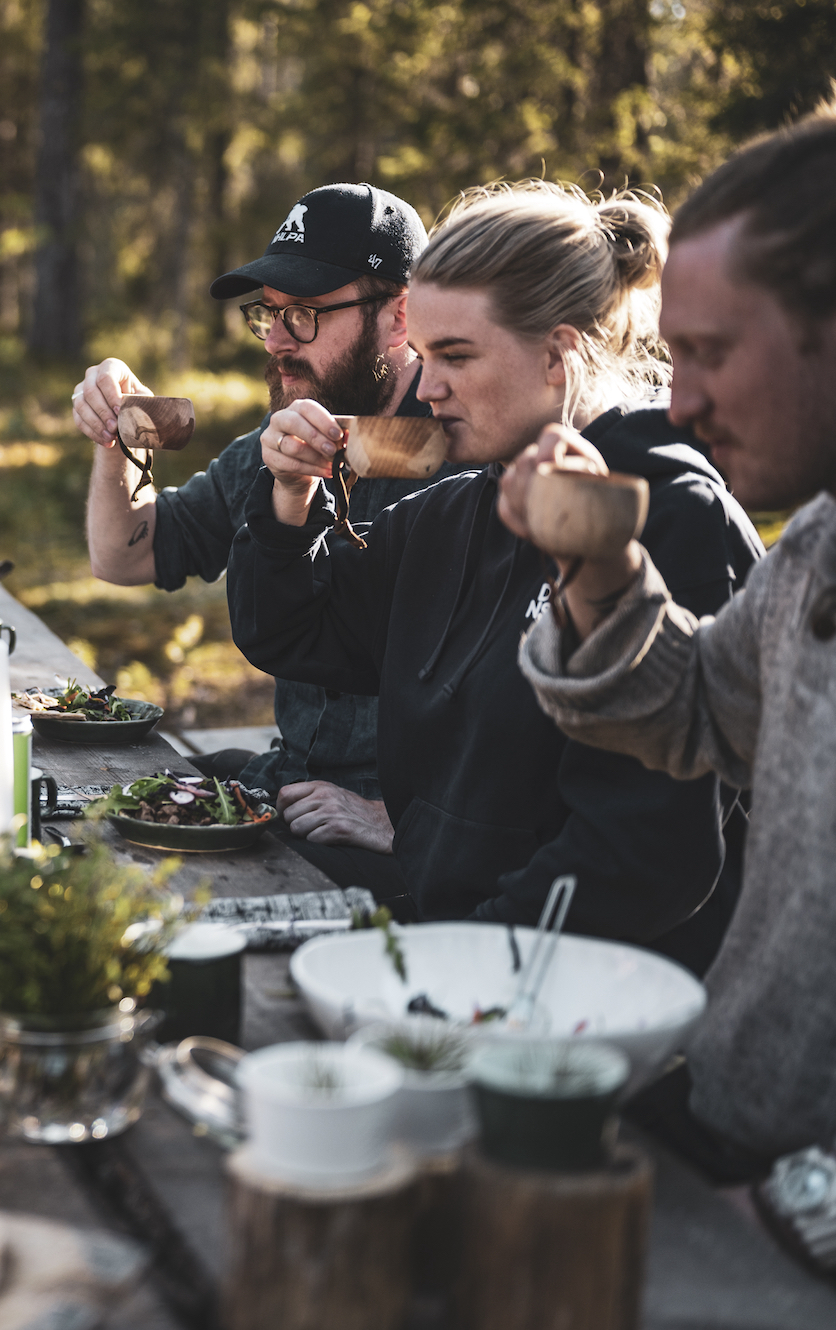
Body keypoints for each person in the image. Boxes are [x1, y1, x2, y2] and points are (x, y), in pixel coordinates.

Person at [228, 181, 763, 971]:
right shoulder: (455, 513)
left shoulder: (673, 518)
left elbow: (643, 851)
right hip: (447, 939)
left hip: (602, 1013)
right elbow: (293, 630)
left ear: (557, 353)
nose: (428, 384)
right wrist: (288, 497)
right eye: (425, 353)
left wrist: (447, 964)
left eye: (456, 356)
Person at [509, 111, 836, 1226]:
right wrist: (597, 564)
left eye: (708, 352)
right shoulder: (816, 548)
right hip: (733, 1133)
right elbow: (693, 708)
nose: (676, 400)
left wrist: (810, 1205)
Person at [73, 183, 458, 892]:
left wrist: (401, 817)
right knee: (88, 823)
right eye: (270, 315)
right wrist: (117, 434)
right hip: (286, 784)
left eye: (306, 315)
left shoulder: (464, 454)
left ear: (400, 316)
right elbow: (125, 554)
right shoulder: (287, 441)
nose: (278, 341)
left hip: (402, 834)